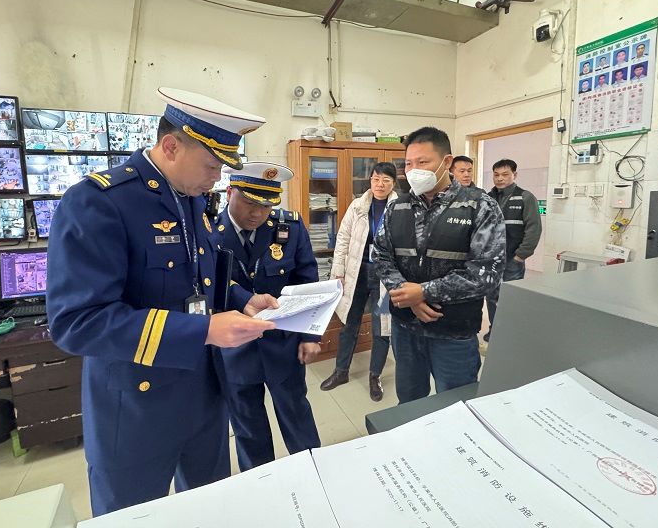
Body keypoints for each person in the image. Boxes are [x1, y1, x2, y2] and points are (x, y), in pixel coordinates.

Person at [47, 87, 278, 516]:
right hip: (136, 404)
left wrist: (243, 299)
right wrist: (204, 329)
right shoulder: (100, 201)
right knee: (134, 516)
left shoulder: (190, 197)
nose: (218, 178)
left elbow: (198, 276)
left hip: (203, 393)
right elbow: (77, 322)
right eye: (212, 165)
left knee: (209, 511)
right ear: (171, 147)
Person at [373, 127, 505, 404]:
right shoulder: (397, 207)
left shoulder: (480, 206)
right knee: (409, 403)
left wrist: (424, 292)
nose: (413, 170)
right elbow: (381, 256)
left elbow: (486, 273)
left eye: (423, 162)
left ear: (447, 162)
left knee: (455, 406)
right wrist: (407, 294)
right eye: (409, 163)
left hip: (453, 331)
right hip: (405, 328)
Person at [216, 162, 321, 471]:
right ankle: (261, 481)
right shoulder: (208, 231)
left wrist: (310, 335)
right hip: (234, 349)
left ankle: (314, 473)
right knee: (248, 426)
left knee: (297, 415)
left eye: (266, 205)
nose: (258, 213)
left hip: (283, 344)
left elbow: (307, 283)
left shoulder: (289, 227)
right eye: (250, 202)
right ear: (230, 192)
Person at [320, 162, 398, 401]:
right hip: (358, 273)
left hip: (384, 276)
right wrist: (338, 271)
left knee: (381, 327)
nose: (380, 184)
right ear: (370, 180)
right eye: (376, 179)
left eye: (386, 180)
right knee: (349, 323)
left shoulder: (400, 208)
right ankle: (341, 371)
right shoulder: (358, 206)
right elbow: (343, 238)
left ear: (394, 183)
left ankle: (375, 376)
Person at [485, 159, 542, 343]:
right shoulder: (487, 198)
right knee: (491, 296)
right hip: (491, 259)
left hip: (513, 258)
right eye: (496, 175)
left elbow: (534, 229)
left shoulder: (525, 197)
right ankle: (495, 330)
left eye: (505, 174)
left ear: (514, 175)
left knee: (511, 297)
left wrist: (521, 255)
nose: (500, 178)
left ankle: (511, 333)